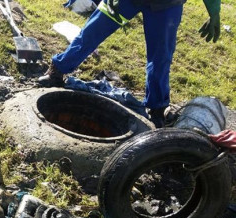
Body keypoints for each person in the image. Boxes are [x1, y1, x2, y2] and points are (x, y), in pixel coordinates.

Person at [38, 0, 221, 128]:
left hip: (166, 5)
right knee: (92, 32)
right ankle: (57, 70)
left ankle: (157, 106)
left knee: (160, 57)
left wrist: (214, 11)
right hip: (124, 1)